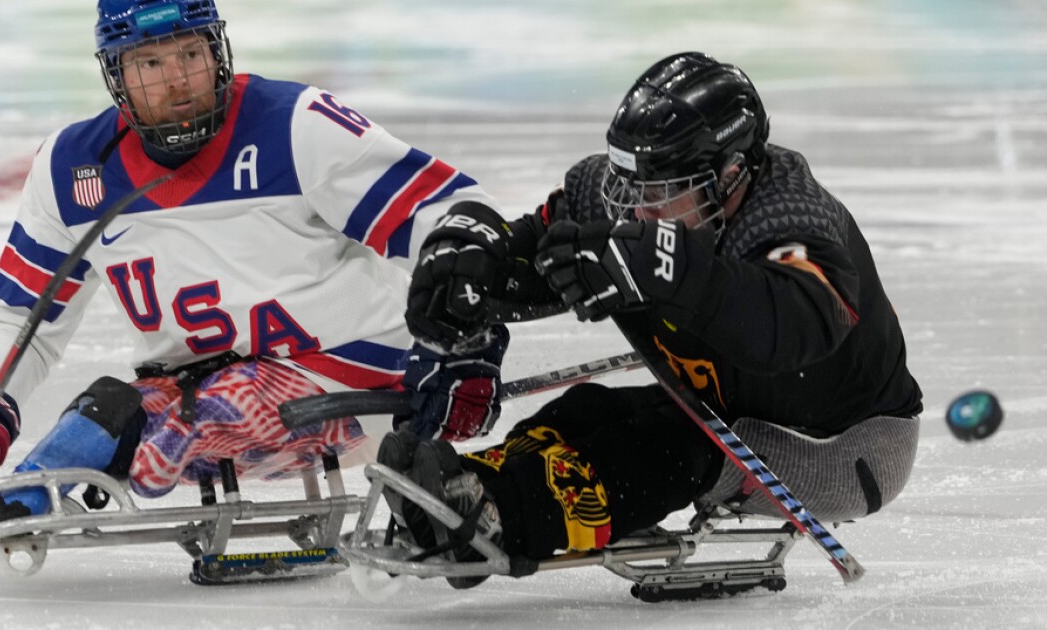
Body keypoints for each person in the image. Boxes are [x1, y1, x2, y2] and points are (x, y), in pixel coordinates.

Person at [0, 0, 507, 520]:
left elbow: (447, 211)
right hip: (202, 385)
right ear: (116, 75)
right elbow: (17, 315)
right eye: (150, 64)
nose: (178, 81)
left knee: (172, 432)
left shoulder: (294, 127)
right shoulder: (70, 170)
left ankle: (41, 497)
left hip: (353, 372)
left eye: (191, 54)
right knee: (104, 418)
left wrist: (461, 338)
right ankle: (24, 497)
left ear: (217, 50)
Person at [380, 51, 923, 588]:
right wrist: (474, 268)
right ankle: (471, 487)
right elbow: (546, 254)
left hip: (847, 443)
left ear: (731, 175)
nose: (640, 213)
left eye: (663, 196)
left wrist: (668, 268)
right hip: (723, 398)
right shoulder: (637, 198)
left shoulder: (791, 218)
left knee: (666, 449)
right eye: (631, 189)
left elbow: (794, 327)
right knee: (589, 409)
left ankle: (501, 516)